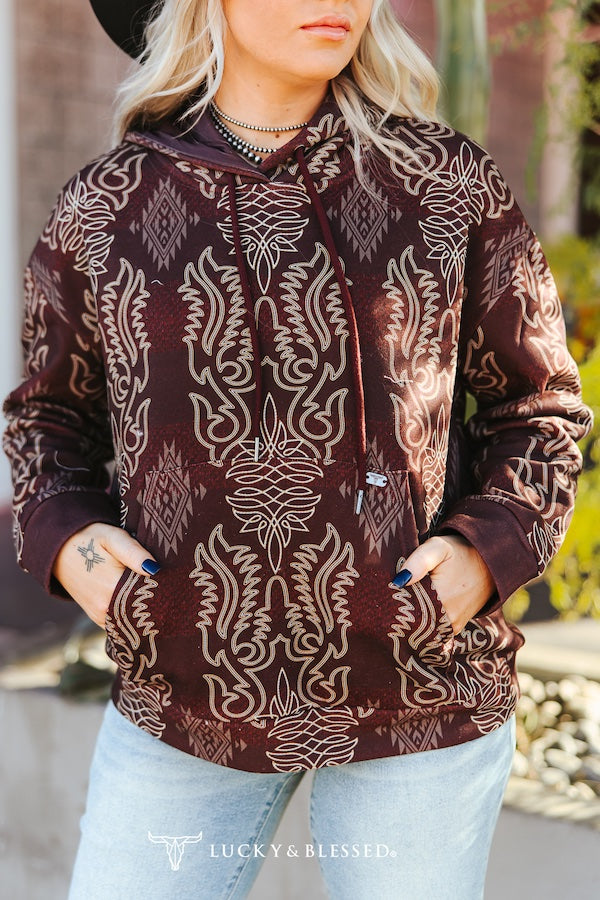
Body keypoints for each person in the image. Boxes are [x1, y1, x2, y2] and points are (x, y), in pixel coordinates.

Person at [2, 1, 593, 898]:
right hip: (183, 700)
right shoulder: (108, 205)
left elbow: (539, 406)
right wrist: (73, 549)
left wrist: (487, 554)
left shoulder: (444, 183)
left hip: (417, 694)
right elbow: (46, 421)